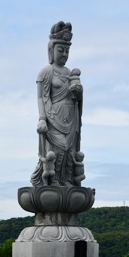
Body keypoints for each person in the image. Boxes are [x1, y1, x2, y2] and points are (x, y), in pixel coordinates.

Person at [30, 21, 83, 187]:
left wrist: (78, 93)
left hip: (70, 117)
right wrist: (42, 118)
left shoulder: (70, 74)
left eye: (67, 50)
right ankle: (52, 180)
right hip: (54, 117)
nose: (64, 54)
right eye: (61, 50)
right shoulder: (47, 72)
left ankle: (66, 179)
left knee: (69, 152)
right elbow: (41, 97)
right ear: (51, 50)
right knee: (56, 151)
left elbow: (76, 97)